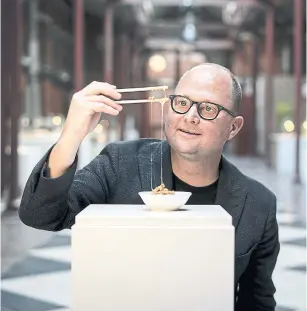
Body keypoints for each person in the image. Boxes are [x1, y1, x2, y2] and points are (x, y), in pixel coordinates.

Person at [19, 63, 280, 310]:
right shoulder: (120, 164)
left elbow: (256, 302)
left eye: (208, 109)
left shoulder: (258, 204)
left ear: (233, 127)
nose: (190, 117)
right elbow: (40, 214)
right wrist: (71, 136)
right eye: (181, 103)